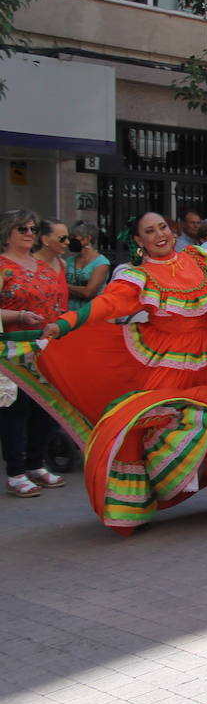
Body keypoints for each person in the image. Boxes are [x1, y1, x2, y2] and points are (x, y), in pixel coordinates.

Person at [34, 211, 207, 530]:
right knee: (158, 421)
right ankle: (143, 495)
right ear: (139, 241)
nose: (159, 234)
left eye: (162, 227)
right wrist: (65, 323)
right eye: (149, 231)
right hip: (169, 360)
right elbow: (106, 306)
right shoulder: (138, 277)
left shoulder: (201, 257)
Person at [0, 209, 67, 497]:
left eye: (32, 228)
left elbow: (59, 304)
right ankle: (15, 472)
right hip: (11, 347)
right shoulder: (3, 267)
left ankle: (36, 464)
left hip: (45, 346)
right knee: (15, 410)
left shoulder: (47, 265)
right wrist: (19, 315)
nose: (29, 234)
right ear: (8, 233)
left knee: (45, 408)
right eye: (22, 229)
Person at [64, 221, 110, 312]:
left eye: (75, 237)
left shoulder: (101, 263)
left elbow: (89, 292)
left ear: (88, 238)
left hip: (91, 314)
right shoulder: (69, 261)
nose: (70, 241)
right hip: (68, 314)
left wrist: (66, 287)